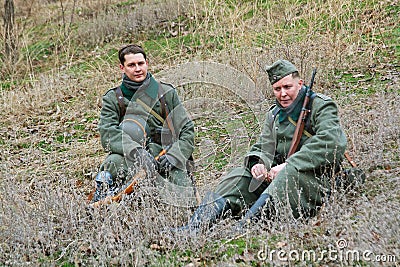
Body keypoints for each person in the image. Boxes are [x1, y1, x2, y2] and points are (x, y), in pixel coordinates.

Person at [174, 59, 348, 233]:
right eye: (277, 89)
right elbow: (265, 146)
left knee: (287, 174)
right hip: (281, 174)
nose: (283, 94)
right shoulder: (274, 113)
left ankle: (245, 228)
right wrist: (259, 164)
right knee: (238, 176)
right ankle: (195, 227)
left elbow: (331, 142)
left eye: (288, 87)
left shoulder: (321, 105)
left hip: (313, 176)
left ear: (300, 83)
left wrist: (290, 164)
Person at [92, 44, 195, 203]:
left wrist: (175, 155)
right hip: (130, 155)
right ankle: (105, 198)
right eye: (131, 65)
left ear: (147, 63)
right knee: (112, 165)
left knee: (184, 199)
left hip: (164, 155)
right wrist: (136, 152)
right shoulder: (113, 98)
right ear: (122, 67)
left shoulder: (166, 93)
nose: (137, 69)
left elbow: (187, 130)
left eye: (140, 63)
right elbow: (108, 134)